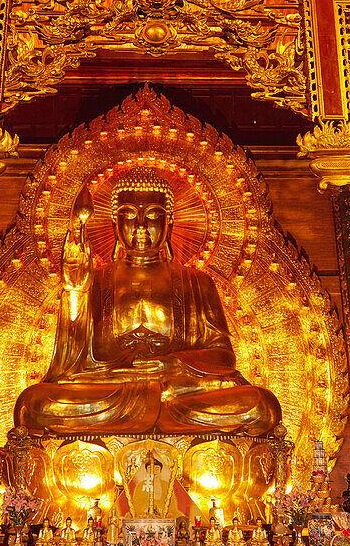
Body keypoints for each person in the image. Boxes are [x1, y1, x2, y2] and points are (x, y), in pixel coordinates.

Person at [14, 168, 280, 435]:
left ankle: (158, 410)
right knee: (34, 403)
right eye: (128, 216)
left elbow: (223, 356)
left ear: (170, 222)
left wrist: (175, 364)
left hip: (179, 392)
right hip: (111, 390)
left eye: (153, 216)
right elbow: (72, 364)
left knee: (260, 406)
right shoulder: (94, 280)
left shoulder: (197, 282)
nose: (140, 226)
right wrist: (75, 292)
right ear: (114, 224)